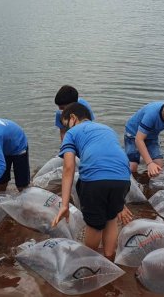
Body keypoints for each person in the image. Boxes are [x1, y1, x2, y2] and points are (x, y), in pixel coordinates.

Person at [51, 103, 130, 259]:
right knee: (111, 218)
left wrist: (65, 205)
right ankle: (109, 257)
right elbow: (113, 155)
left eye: (66, 124)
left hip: (95, 181)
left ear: (72, 118)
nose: (66, 128)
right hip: (123, 178)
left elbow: (68, 168)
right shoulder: (107, 129)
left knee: (94, 226)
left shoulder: (72, 133)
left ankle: (90, 261)